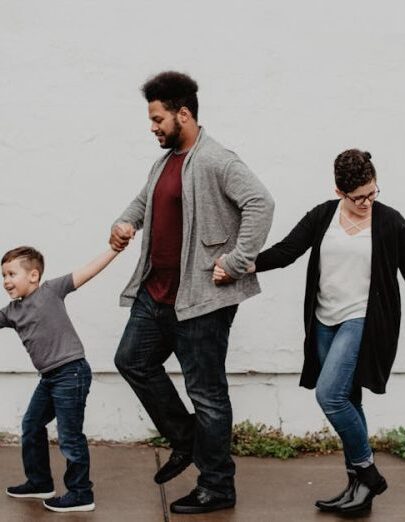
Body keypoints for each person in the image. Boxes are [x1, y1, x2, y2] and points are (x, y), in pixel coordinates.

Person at [214, 149, 405, 516]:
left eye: (373, 193)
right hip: (324, 321)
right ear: (340, 191)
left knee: (330, 396)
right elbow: (288, 251)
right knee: (349, 400)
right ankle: (358, 489)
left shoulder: (390, 222)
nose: (367, 202)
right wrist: (240, 266)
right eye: (359, 197)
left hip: (363, 320)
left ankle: (368, 472)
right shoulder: (324, 216)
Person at [110, 71, 274, 515]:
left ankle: (217, 486)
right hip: (156, 293)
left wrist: (237, 261)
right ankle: (186, 441)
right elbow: (144, 201)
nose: (153, 126)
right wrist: (125, 223)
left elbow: (261, 203)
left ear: (183, 114)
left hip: (201, 300)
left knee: (207, 393)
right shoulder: (164, 162)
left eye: (158, 118)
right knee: (131, 361)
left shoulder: (217, 160)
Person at [0, 245, 120, 512]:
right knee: (31, 426)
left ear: (33, 275)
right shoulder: (12, 311)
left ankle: (81, 493)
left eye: (11, 274)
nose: (6, 281)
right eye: (3, 276)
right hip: (49, 378)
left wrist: (114, 250)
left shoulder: (51, 290)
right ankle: (40, 482)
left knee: (69, 436)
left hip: (71, 372)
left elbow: (87, 272)